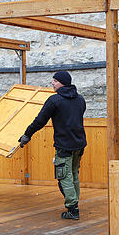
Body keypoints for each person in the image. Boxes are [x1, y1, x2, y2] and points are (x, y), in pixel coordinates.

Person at [18, 71, 86, 220]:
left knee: (64, 177)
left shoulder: (55, 100)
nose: (52, 83)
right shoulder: (80, 99)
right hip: (79, 144)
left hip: (64, 145)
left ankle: (72, 209)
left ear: (62, 83)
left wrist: (27, 135)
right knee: (74, 174)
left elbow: (39, 121)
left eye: (55, 81)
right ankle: (75, 203)